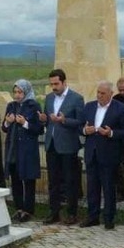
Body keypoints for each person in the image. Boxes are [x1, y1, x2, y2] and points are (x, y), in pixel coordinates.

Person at [79, 81, 124, 229]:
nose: (99, 96)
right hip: (91, 153)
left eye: (103, 93)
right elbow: (79, 126)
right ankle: (92, 216)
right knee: (92, 188)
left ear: (110, 94)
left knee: (108, 188)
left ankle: (109, 218)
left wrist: (111, 133)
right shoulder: (89, 106)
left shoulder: (120, 109)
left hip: (109, 155)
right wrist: (84, 130)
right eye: (98, 92)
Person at [41, 69, 85, 225]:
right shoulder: (49, 98)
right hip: (52, 144)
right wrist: (44, 119)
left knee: (70, 181)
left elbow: (80, 122)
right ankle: (54, 212)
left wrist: (64, 120)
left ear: (64, 82)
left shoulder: (76, 99)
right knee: (53, 181)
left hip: (68, 146)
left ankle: (72, 213)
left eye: (56, 84)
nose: (54, 87)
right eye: (51, 84)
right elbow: (47, 121)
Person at [2, 79, 43, 222]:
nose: (17, 95)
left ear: (26, 92)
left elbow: (39, 129)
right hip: (13, 149)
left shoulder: (33, 105)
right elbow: (4, 127)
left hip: (27, 150)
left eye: (20, 92)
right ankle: (18, 208)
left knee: (28, 181)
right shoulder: (11, 106)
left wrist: (24, 123)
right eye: (15, 92)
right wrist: (8, 121)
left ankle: (28, 210)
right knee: (16, 181)